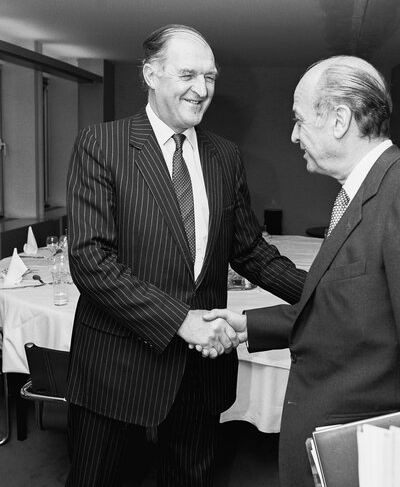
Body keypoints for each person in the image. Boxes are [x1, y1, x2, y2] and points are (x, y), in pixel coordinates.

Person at [205, 55, 400, 487]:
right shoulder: (357, 197)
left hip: (373, 457)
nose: (294, 134)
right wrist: (250, 323)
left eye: (300, 120)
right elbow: (353, 307)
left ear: (339, 120)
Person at [65, 24, 306, 487]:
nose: (202, 90)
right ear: (151, 75)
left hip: (199, 372)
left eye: (210, 77)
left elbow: (251, 252)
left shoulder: (225, 156)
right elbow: (91, 262)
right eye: (188, 74)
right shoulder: (102, 145)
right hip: (117, 366)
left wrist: (322, 291)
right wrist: (181, 320)